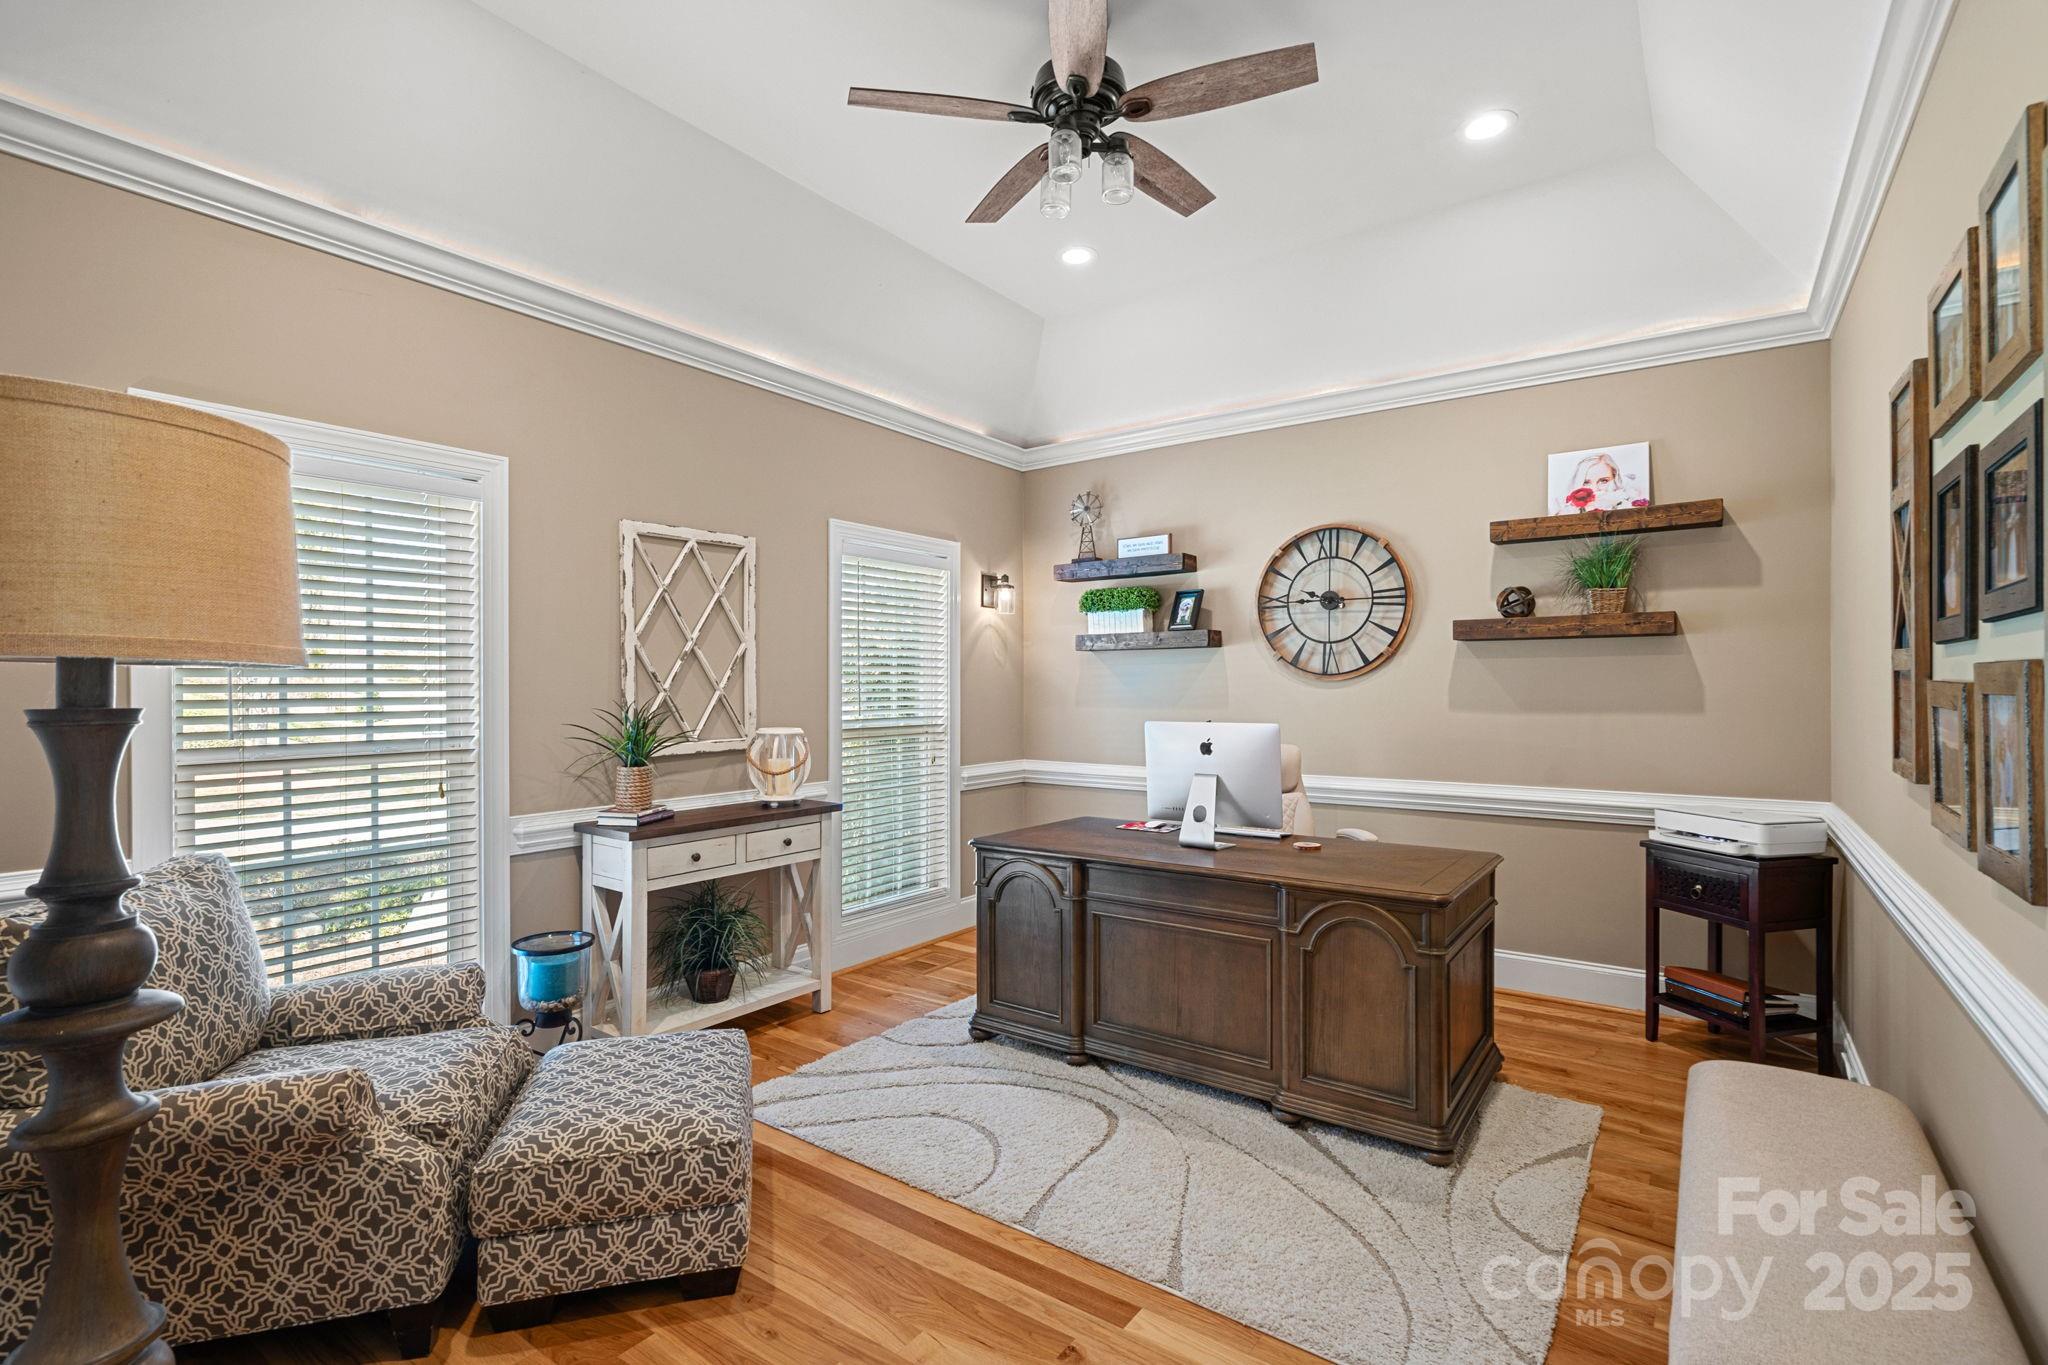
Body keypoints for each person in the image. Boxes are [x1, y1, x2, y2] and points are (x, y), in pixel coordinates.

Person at [1554, 450, 1648, 514]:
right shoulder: (1566, 509)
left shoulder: (1627, 503)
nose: (1595, 489)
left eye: (1603, 481)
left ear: (1615, 478)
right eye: (1586, 482)